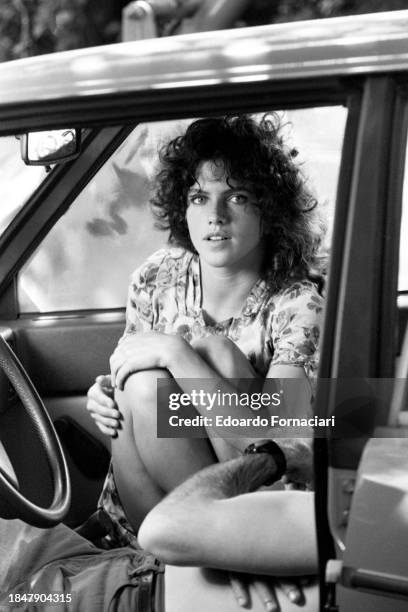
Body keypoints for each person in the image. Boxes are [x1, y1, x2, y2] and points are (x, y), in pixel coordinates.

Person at [86, 114, 324, 546]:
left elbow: (282, 445)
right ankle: (163, 555)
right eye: (198, 197)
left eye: (235, 198)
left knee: (213, 354)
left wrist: (179, 357)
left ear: (268, 212)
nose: (214, 215)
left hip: (255, 495)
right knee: (139, 387)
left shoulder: (297, 303)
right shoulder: (156, 277)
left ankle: (218, 543)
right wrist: (102, 393)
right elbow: (129, 372)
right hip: (140, 513)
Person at [0, 437, 318, 612]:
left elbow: (163, 529)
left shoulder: (353, 524)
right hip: (101, 573)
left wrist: (279, 456)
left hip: (81, 598)